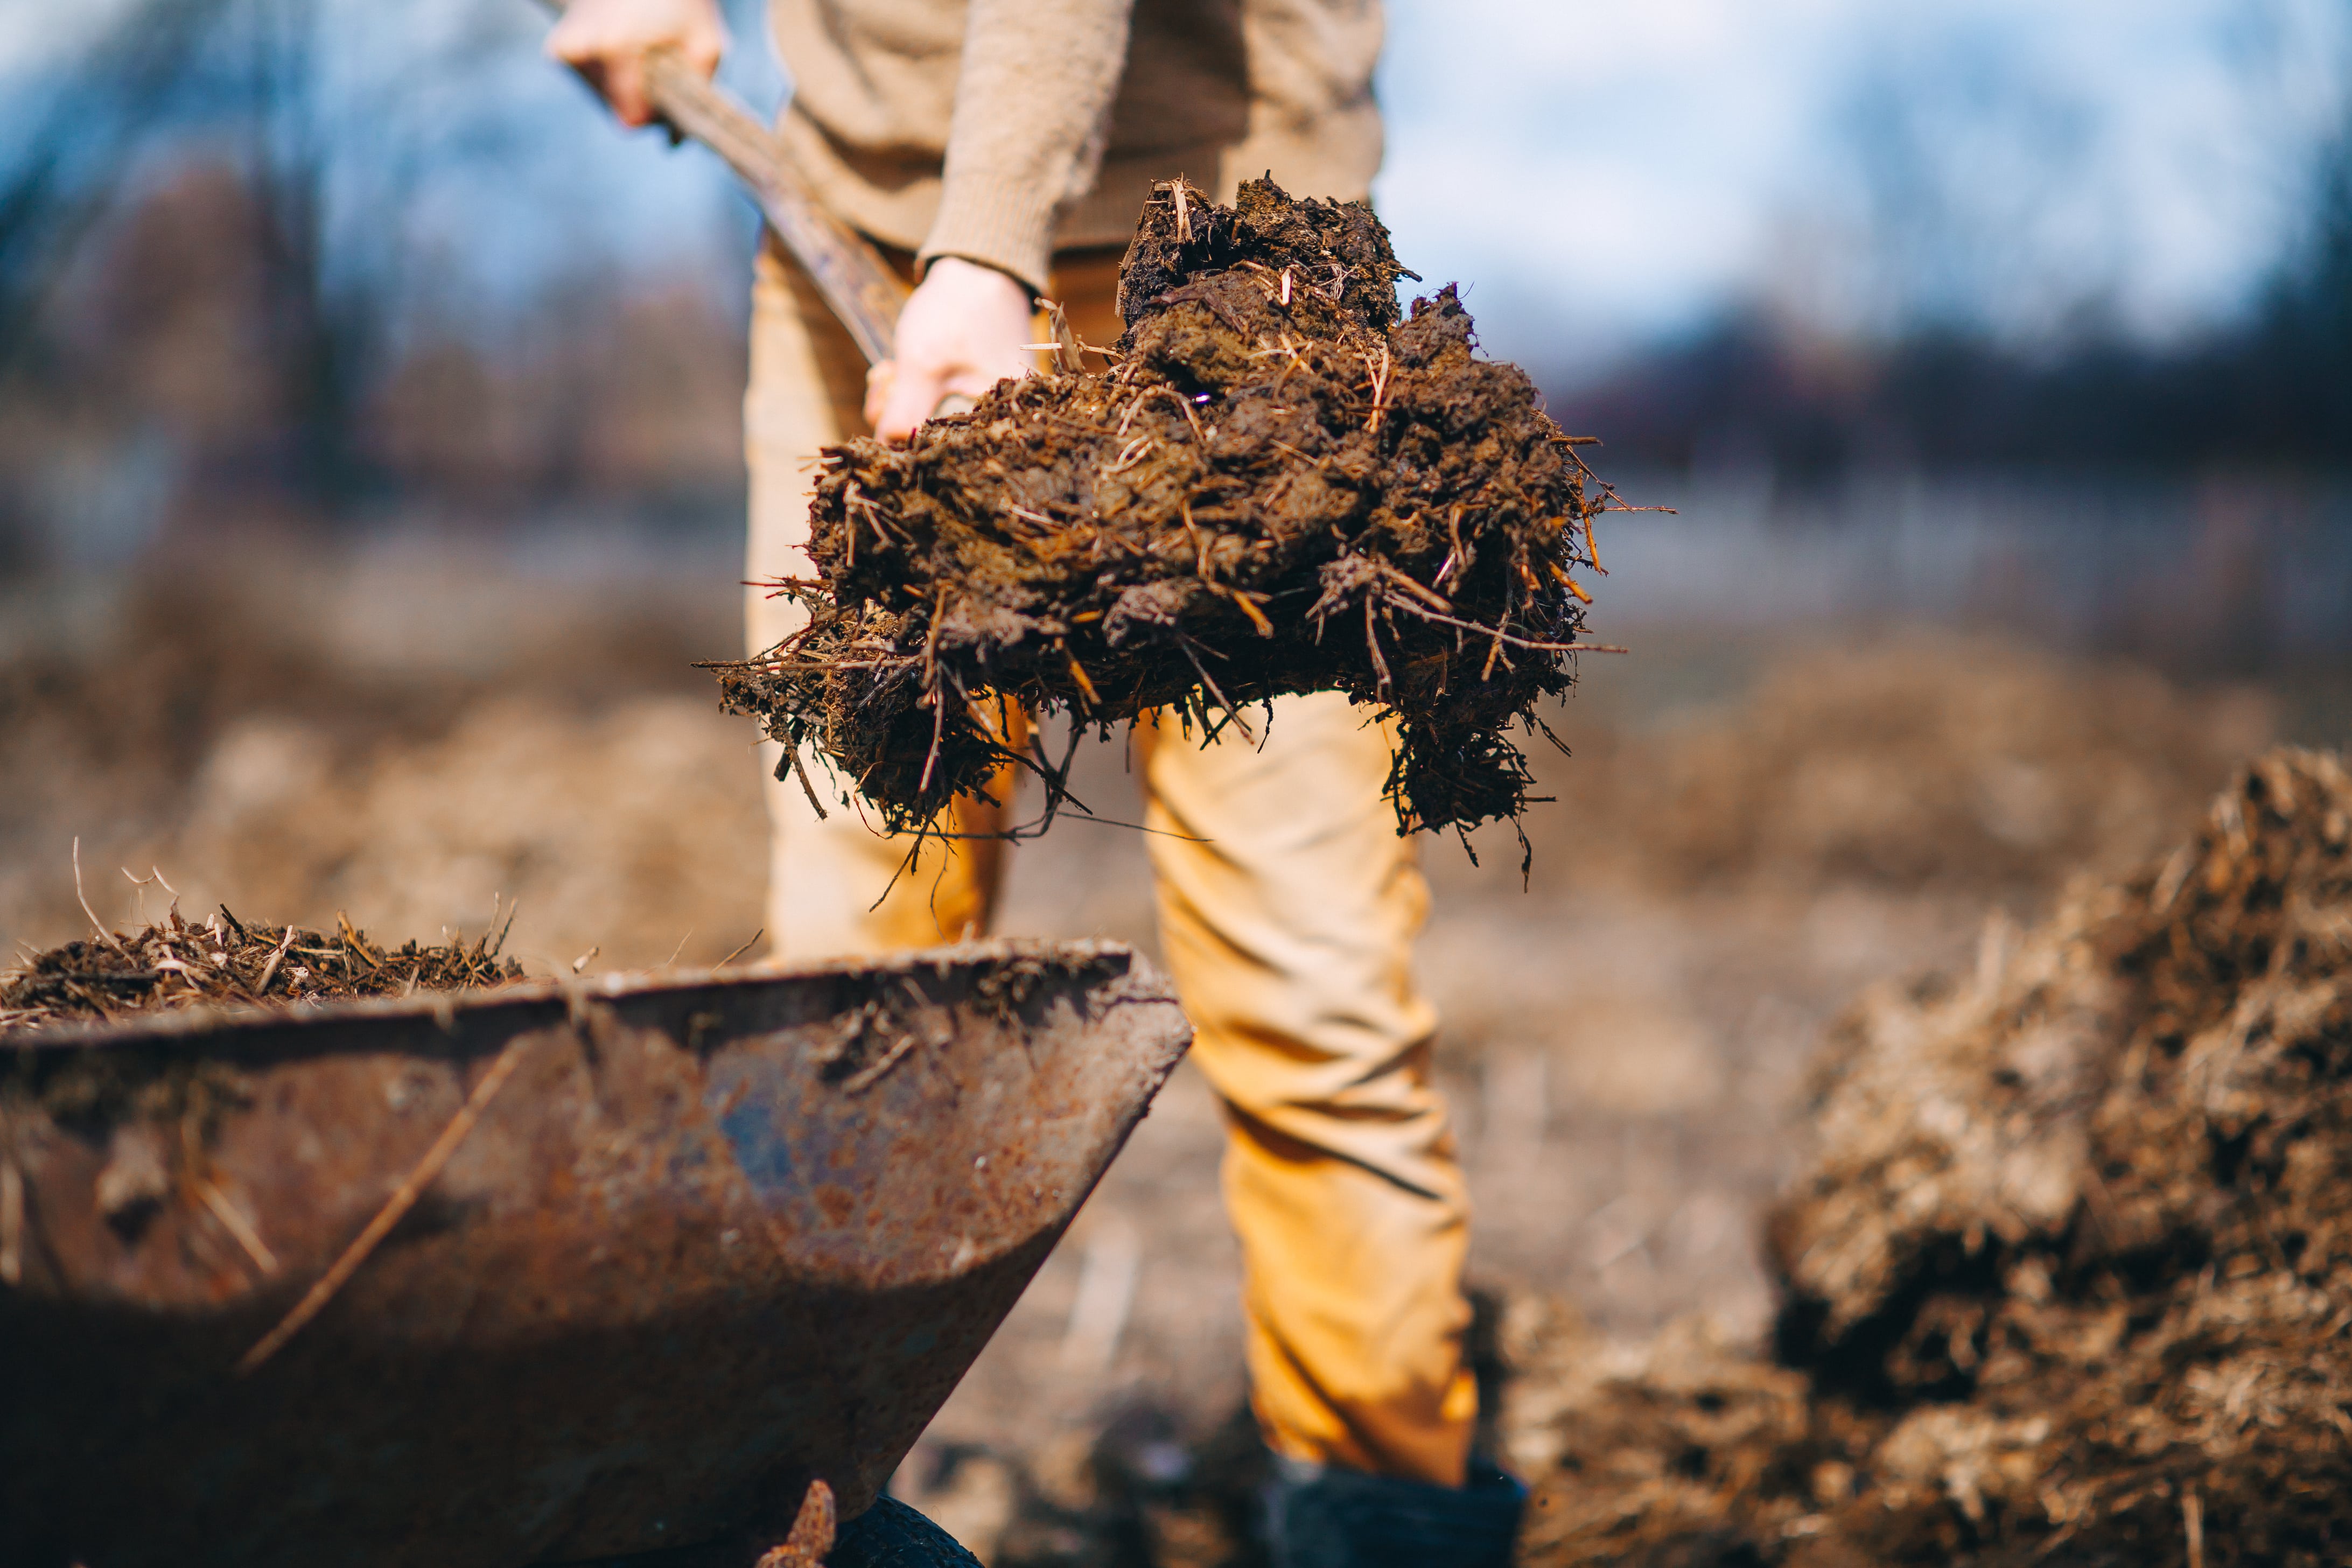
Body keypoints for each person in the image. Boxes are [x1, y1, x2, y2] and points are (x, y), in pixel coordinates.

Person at [548, 3, 1524, 1563]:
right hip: (860, 233)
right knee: (852, 988)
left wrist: (988, 247)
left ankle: (1384, 1504)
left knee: (1310, 988)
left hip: (1224, 270)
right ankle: (811, 1510)